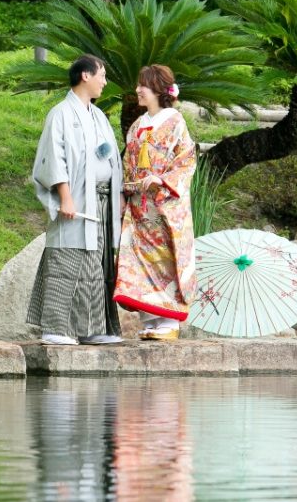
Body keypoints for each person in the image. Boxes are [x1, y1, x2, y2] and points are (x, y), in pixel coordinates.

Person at [27, 54, 124, 346]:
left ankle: (92, 328)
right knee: (67, 262)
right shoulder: (60, 113)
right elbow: (53, 158)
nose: (105, 82)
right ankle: (56, 328)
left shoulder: (98, 116)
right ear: (85, 75)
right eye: (102, 75)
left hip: (102, 202)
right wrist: (65, 198)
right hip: (77, 202)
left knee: (98, 265)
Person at [113, 64, 197, 341]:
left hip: (163, 206)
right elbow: (128, 163)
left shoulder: (175, 121)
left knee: (163, 260)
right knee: (137, 259)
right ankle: (150, 318)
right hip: (139, 205)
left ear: (159, 90)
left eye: (143, 86)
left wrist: (162, 180)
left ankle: (169, 320)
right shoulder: (138, 125)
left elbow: (186, 162)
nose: (137, 90)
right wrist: (127, 192)